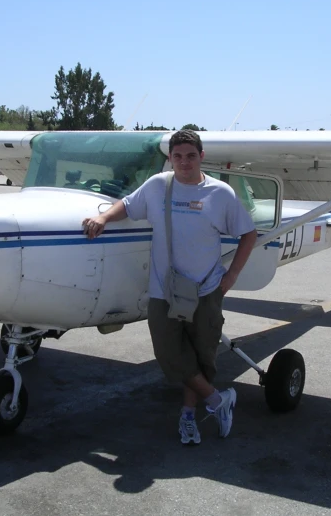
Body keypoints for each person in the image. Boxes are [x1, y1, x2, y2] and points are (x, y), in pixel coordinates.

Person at [82, 129, 257, 445]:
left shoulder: (220, 194)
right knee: (168, 354)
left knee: (200, 358)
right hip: (164, 290)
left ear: (201, 156)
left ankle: (189, 416)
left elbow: (249, 233)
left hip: (205, 290)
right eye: (177, 156)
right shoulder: (157, 186)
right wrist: (105, 217)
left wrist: (230, 278)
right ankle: (219, 401)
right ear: (170, 158)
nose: (184, 162)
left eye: (191, 155)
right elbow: (127, 203)